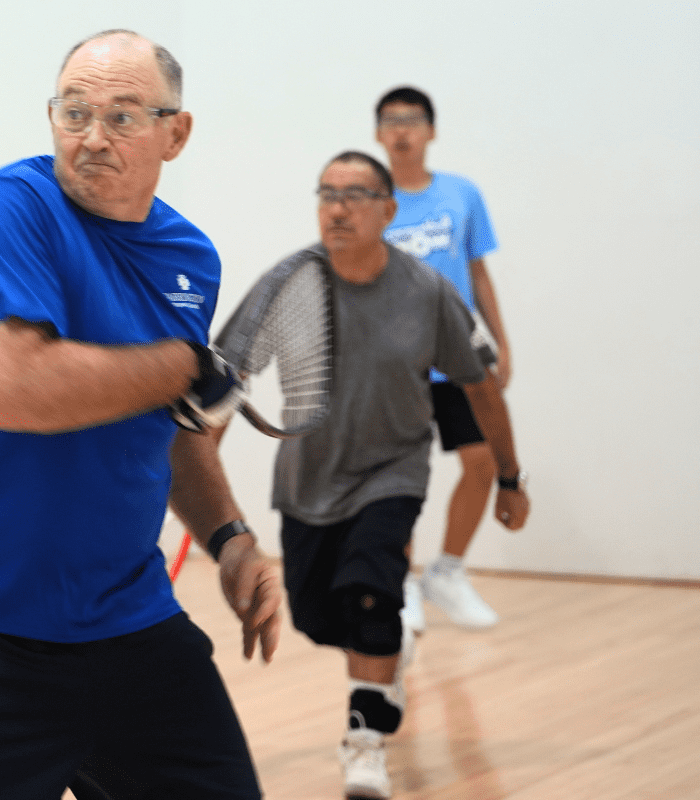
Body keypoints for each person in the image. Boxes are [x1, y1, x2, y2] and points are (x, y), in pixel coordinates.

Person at [0, 30, 282, 800]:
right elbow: (14, 388)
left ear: (175, 134)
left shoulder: (191, 259)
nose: (92, 138)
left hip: (132, 629)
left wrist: (230, 538)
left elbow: (166, 428)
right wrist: (185, 366)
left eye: (122, 117)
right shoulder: (9, 208)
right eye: (74, 112)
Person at [216, 152, 529, 799]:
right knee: (317, 618)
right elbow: (224, 381)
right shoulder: (288, 282)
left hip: (393, 473)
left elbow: (480, 387)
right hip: (308, 481)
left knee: (371, 592)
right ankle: (385, 654)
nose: (337, 208)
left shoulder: (426, 291)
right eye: (327, 194)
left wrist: (508, 475)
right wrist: (190, 476)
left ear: (388, 210)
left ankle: (365, 744)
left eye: (354, 195)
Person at [374, 85, 522, 632]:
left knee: (482, 463)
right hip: (397, 364)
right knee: (401, 479)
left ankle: (448, 572)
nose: (402, 130)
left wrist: (501, 343)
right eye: (391, 120)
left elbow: (478, 272)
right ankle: (402, 583)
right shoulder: (370, 199)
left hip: (458, 358)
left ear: (431, 130)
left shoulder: (462, 194)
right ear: (378, 133)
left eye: (412, 119)